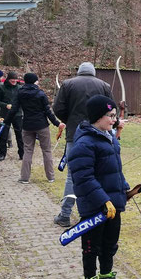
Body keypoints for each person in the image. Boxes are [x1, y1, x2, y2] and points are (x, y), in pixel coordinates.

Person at [68, 95, 130, 279]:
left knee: (109, 246)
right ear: (97, 117)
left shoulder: (109, 137)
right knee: (91, 248)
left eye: (115, 115)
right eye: (110, 116)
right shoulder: (84, 142)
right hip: (95, 207)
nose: (114, 120)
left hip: (113, 206)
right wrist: (103, 200)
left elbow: (115, 170)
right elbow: (83, 178)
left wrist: (125, 189)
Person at [52, 62, 113, 228]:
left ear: (79, 72)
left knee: (74, 175)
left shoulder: (68, 84)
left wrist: (70, 121)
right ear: (93, 73)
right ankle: (91, 214)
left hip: (75, 135)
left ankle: (65, 214)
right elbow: (110, 109)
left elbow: (57, 108)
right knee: (97, 173)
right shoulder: (104, 85)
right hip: (100, 135)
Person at [4, 73, 65, 184]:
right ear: (34, 81)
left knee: (27, 150)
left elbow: (13, 109)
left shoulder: (20, 93)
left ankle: (24, 177)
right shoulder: (40, 94)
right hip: (41, 125)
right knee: (46, 150)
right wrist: (57, 123)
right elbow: (48, 111)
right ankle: (50, 176)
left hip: (27, 125)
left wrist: (6, 122)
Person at [0, 71, 24, 161]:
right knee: (3, 134)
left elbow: (24, 100)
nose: (14, 81)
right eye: (12, 79)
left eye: (15, 79)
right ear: (8, 79)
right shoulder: (1, 88)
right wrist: (5, 105)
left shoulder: (20, 88)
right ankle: (2, 154)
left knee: (20, 135)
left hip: (17, 114)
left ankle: (22, 154)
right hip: (4, 115)